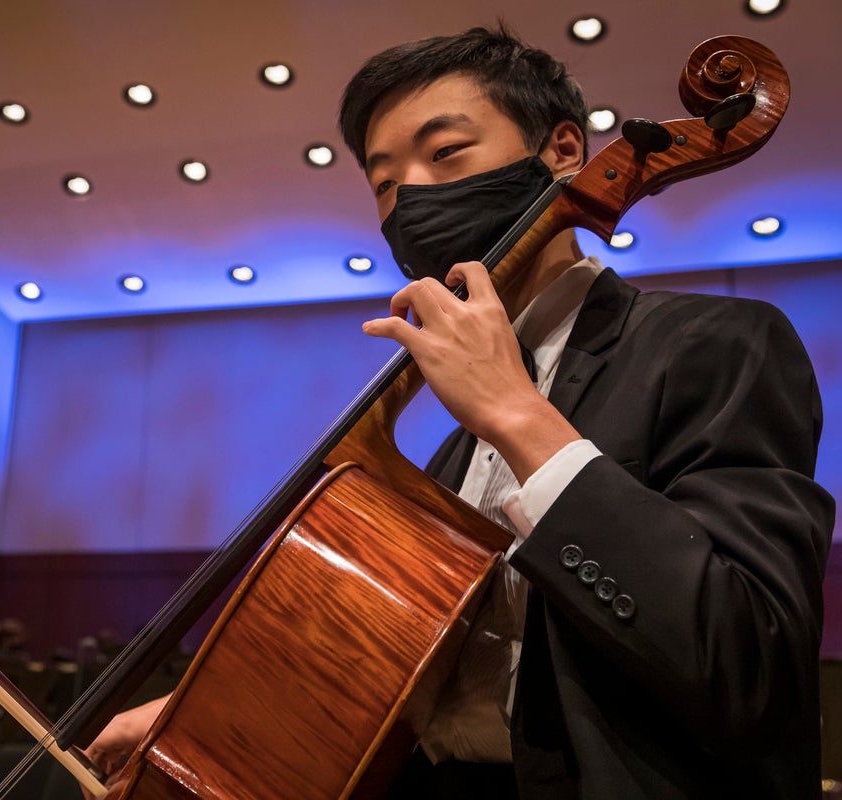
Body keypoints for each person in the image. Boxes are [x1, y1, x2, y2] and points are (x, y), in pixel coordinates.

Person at [82, 26, 834, 799]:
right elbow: (410, 680)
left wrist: (518, 415)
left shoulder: (716, 344)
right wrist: (208, 715)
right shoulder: (449, 454)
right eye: (384, 184)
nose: (411, 198)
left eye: (445, 154)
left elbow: (751, 664)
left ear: (563, 149)